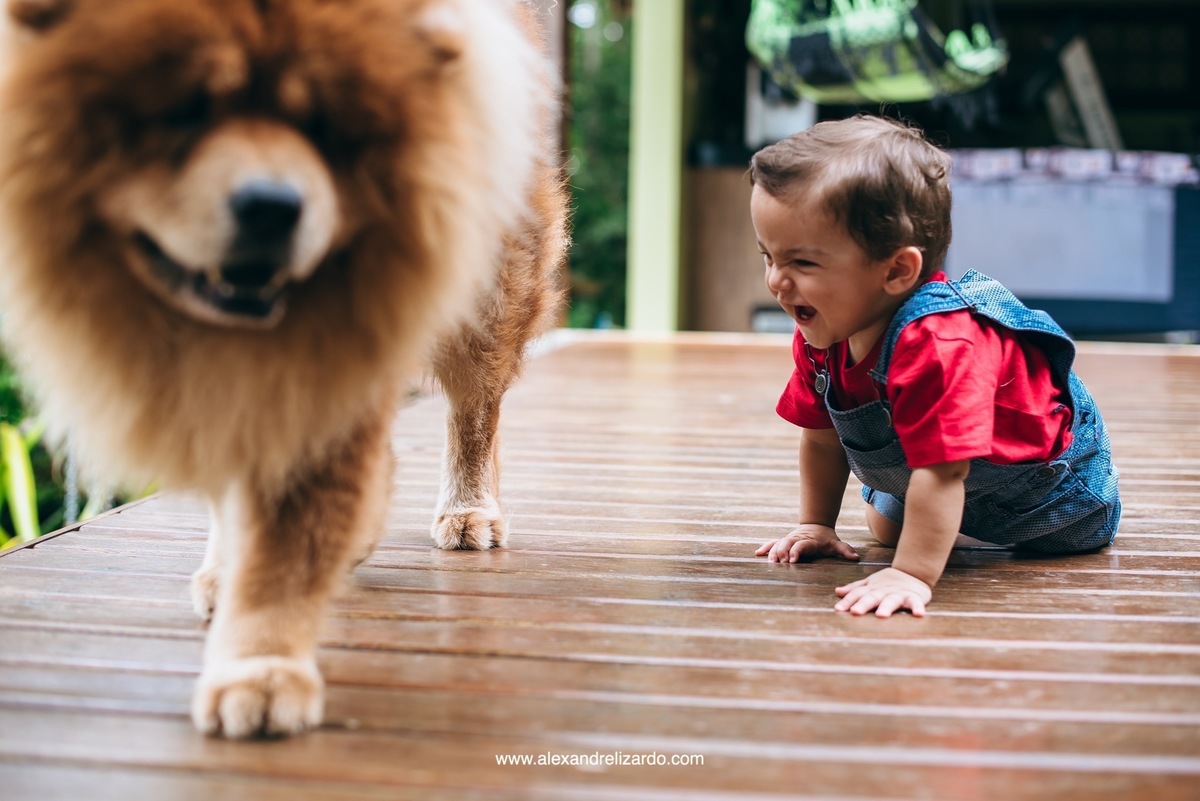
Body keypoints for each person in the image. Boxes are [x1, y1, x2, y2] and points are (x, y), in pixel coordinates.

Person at [749, 114, 1120, 618]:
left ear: (897, 270)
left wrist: (912, 574)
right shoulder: (824, 335)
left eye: (803, 264)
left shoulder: (941, 346)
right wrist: (817, 523)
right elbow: (820, 435)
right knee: (885, 528)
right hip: (938, 473)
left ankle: (949, 528)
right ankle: (947, 524)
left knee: (1051, 542)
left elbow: (943, 474)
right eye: (768, 256)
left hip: (1051, 492)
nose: (776, 281)